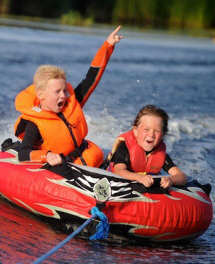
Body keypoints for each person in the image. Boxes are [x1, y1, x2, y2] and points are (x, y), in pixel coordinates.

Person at [14, 26, 123, 172]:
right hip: (68, 169)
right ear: (41, 95)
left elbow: (91, 79)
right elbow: (23, 153)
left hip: (92, 160)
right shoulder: (34, 124)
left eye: (64, 90)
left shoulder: (72, 103)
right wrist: (47, 156)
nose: (63, 95)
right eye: (57, 91)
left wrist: (107, 46)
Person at [109, 104, 188, 189]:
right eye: (146, 129)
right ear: (135, 131)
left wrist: (170, 180)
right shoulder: (125, 147)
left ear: (163, 135)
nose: (151, 135)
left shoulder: (160, 154)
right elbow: (119, 171)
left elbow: (182, 176)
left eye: (157, 131)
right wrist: (138, 177)